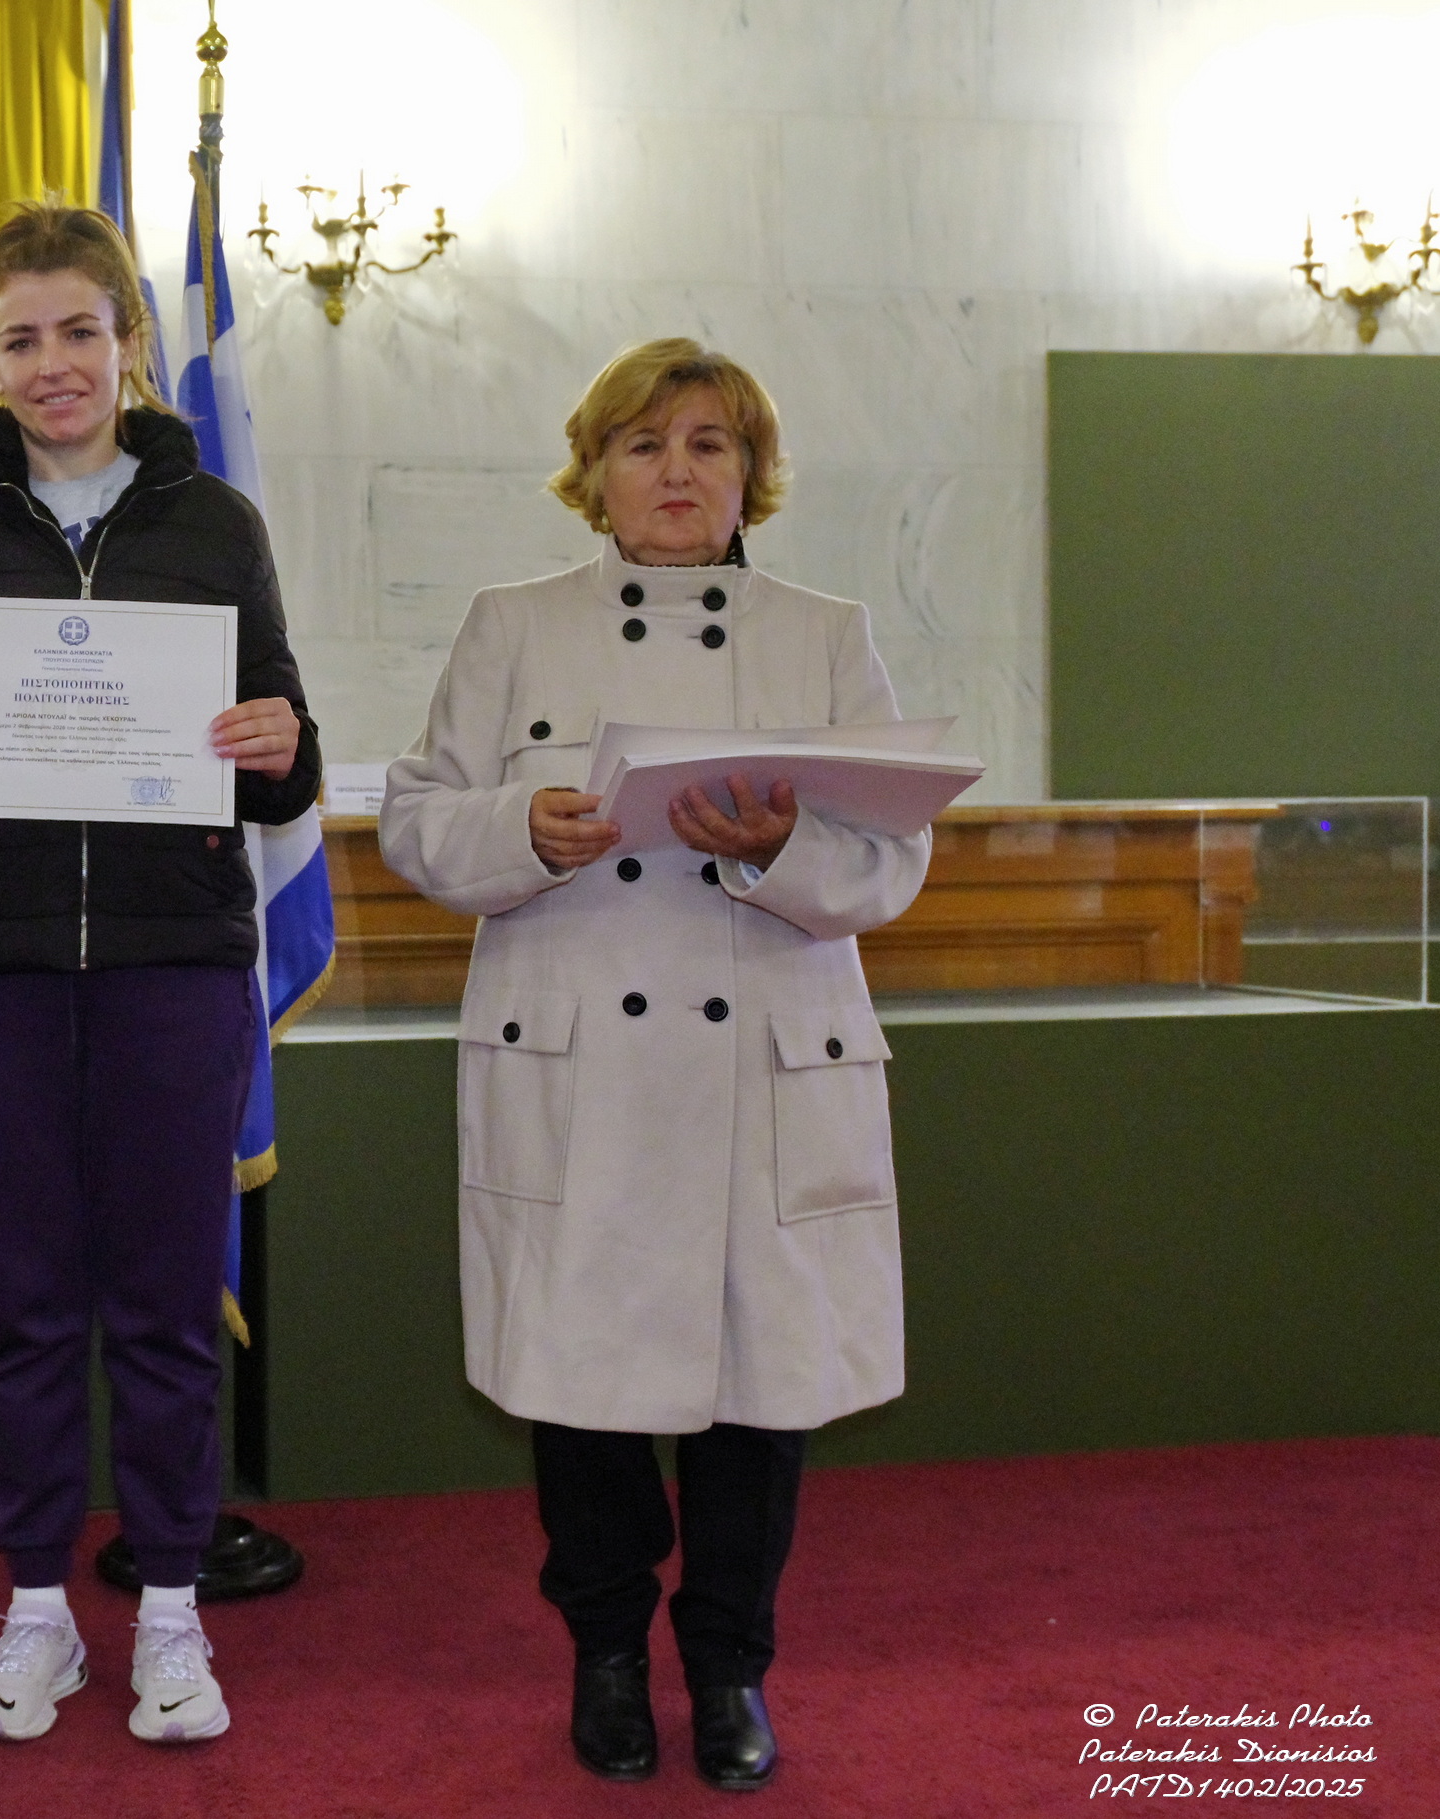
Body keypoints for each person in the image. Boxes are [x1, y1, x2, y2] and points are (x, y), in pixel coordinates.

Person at [379, 338, 926, 1792]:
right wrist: (521, 828)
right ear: (594, 473)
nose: (676, 473)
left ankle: (732, 1667)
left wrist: (782, 847)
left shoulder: (825, 632)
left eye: (707, 444)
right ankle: (606, 1656)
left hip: (761, 1059)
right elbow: (417, 819)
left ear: (751, 475)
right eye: (643, 445)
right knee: (583, 1394)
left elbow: (893, 858)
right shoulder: (512, 623)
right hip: (581, 1066)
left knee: (762, 1397)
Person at [0, 203, 319, 1746]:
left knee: (167, 1309)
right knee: (24, 1311)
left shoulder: (215, 525)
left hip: (176, 968)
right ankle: (37, 1609)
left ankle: (170, 1611)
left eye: (79, 332)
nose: (52, 365)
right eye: (19, 339)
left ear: (129, 343)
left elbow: (284, 749)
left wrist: (275, 742)